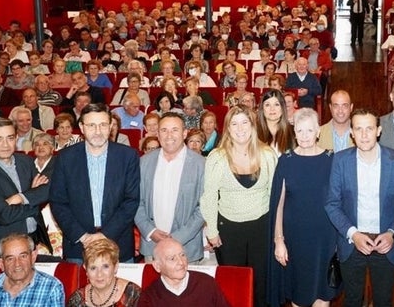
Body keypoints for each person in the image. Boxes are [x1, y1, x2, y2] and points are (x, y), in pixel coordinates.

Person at [325, 109, 394, 307]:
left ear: (378, 130)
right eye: (358, 129)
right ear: (352, 133)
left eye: (369, 128)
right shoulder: (340, 160)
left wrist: (392, 233)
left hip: (385, 242)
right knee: (352, 300)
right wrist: (353, 234)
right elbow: (332, 204)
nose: (364, 135)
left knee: (383, 301)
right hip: (352, 241)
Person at [200, 105, 278, 307]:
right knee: (233, 283)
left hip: (261, 226)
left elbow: (275, 196)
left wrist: (277, 232)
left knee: (261, 282)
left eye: (245, 122)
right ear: (227, 128)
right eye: (234, 123)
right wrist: (212, 230)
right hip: (228, 228)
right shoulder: (217, 157)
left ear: (253, 125)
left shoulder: (268, 154)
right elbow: (208, 197)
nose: (240, 128)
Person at [50, 103, 140, 263]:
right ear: (81, 127)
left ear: (111, 126)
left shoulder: (128, 156)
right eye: (91, 125)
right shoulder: (64, 158)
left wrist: (105, 235)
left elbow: (131, 201)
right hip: (78, 246)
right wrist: (83, 237)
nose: (98, 131)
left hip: (118, 243)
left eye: (103, 125)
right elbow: (58, 202)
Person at [268, 108, 337, 307]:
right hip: (295, 239)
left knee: (323, 295)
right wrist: (278, 241)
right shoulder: (286, 161)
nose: (305, 136)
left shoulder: (332, 159)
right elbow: (278, 205)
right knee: (299, 294)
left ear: (318, 132)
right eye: (300, 130)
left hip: (325, 239)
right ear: (294, 132)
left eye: (309, 130)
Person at [0, 118, 52, 263]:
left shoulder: (25, 161)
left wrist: (20, 197)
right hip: (0, 252)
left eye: (10, 138)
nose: (5, 145)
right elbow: (5, 215)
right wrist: (32, 197)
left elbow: (47, 189)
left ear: (16, 139)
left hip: (32, 243)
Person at [135, 113, 206, 263]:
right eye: (164, 130)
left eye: (175, 130)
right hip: (152, 246)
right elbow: (135, 201)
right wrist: (150, 231)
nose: (169, 135)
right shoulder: (143, 162)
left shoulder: (201, 165)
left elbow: (204, 207)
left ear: (184, 133)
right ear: (158, 134)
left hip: (186, 249)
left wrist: (178, 238)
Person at [0, 233, 65, 306]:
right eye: (10, 259)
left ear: (33, 257)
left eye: (23, 256)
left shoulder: (51, 287)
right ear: (1, 263)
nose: (17, 264)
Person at [138, 238, 230, 306]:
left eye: (182, 255)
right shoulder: (149, 298)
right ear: (157, 266)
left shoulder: (206, 283)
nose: (181, 262)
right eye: (172, 258)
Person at [66, 237, 142, 307]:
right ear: (86, 269)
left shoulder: (132, 294)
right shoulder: (78, 299)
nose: (99, 274)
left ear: (115, 266)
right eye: (93, 268)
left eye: (105, 267)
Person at [255, 89, 293, 154]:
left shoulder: (293, 132)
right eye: (267, 105)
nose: (272, 109)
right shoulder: (253, 132)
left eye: (276, 104)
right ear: (262, 109)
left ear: (282, 107)